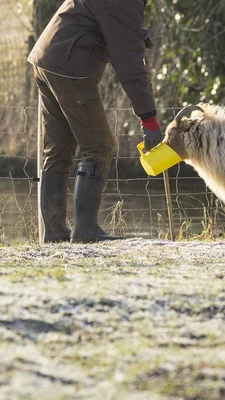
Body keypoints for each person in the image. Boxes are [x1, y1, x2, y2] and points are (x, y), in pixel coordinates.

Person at [27, 0, 162, 243]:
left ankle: (55, 232)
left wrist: (135, 34)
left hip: (46, 58)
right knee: (99, 146)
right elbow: (129, 65)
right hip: (69, 67)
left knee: (57, 149)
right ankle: (86, 229)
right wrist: (149, 120)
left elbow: (99, 16)